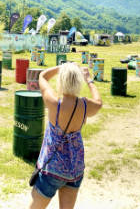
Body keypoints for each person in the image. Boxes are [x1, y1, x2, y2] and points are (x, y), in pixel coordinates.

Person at [31, 63, 104, 209]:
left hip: (52, 169)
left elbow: (42, 76)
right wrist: (89, 79)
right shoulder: (85, 105)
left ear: (61, 80)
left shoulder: (54, 103)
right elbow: (99, 102)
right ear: (79, 81)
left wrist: (62, 67)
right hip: (74, 169)